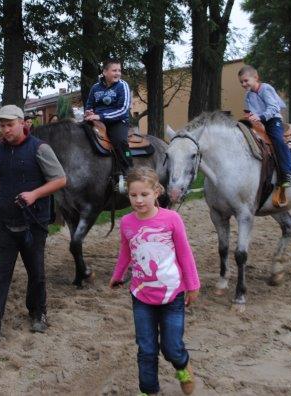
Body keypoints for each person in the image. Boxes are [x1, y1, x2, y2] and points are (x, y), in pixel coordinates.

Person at [0, 104, 67, 340]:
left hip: (34, 222)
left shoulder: (40, 148)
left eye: (10, 124)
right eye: (2, 125)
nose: (6, 130)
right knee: (0, 272)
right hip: (6, 221)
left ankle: (38, 313)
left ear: (23, 123)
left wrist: (34, 194)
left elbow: (60, 179)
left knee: (36, 271)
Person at [109, 166, 200, 396]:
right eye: (133, 195)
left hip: (172, 295)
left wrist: (193, 285)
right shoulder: (127, 222)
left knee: (171, 348)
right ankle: (149, 391)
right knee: (146, 349)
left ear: (156, 192)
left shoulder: (171, 219)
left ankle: (183, 365)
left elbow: (185, 253)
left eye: (144, 194)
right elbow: (125, 252)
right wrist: (118, 275)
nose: (138, 200)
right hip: (141, 296)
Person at [238, 64, 291, 187]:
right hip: (259, 122)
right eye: (241, 82)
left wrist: (261, 117)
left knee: (277, 140)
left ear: (256, 77)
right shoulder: (248, 95)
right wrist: (249, 117)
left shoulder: (265, 89)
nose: (243, 84)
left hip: (273, 120)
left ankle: (287, 172)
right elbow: (249, 111)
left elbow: (274, 107)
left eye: (246, 80)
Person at [84, 58, 133, 191]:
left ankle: (129, 173)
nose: (118, 73)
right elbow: (89, 105)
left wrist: (101, 116)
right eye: (114, 70)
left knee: (120, 141)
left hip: (117, 121)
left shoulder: (122, 86)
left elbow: (123, 110)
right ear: (104, 72)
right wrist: (89, 112)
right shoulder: (95, 88)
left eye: (119, 70)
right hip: (97, 121)